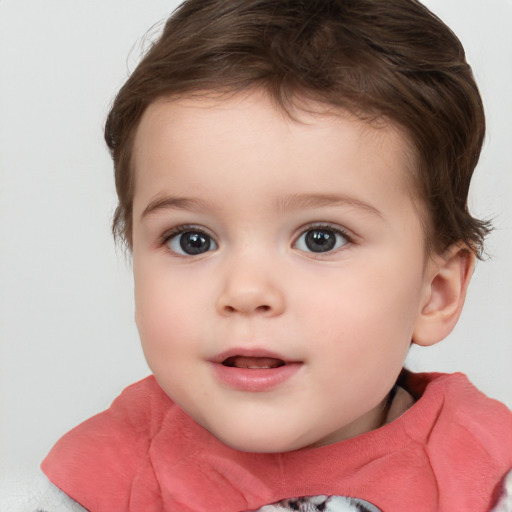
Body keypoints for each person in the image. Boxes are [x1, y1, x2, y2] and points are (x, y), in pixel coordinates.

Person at [38, 0, 512, 510]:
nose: (245, 291)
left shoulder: (488, 472)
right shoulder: (100, 481)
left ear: (434, 293)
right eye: (192, 239)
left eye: (320, 238)